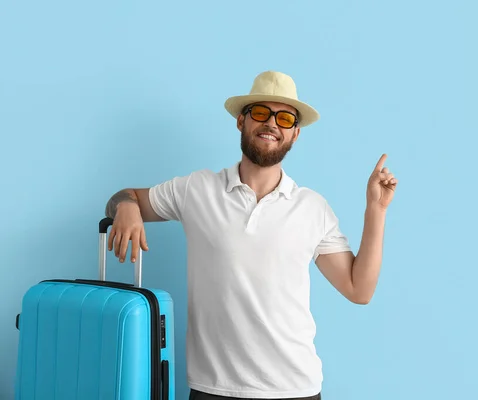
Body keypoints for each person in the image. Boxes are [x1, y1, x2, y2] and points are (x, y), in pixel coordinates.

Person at [103, 71, 397, 400]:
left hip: (295, 389)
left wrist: (376, 209)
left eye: (284, 118)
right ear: (241, 121)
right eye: (261, 113)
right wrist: (127, 207)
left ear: (295, 134)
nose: (271, 123)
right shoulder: (196, 189)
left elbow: (360, 289)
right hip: (212, 389)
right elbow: (122, 197)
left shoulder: (312, 207)